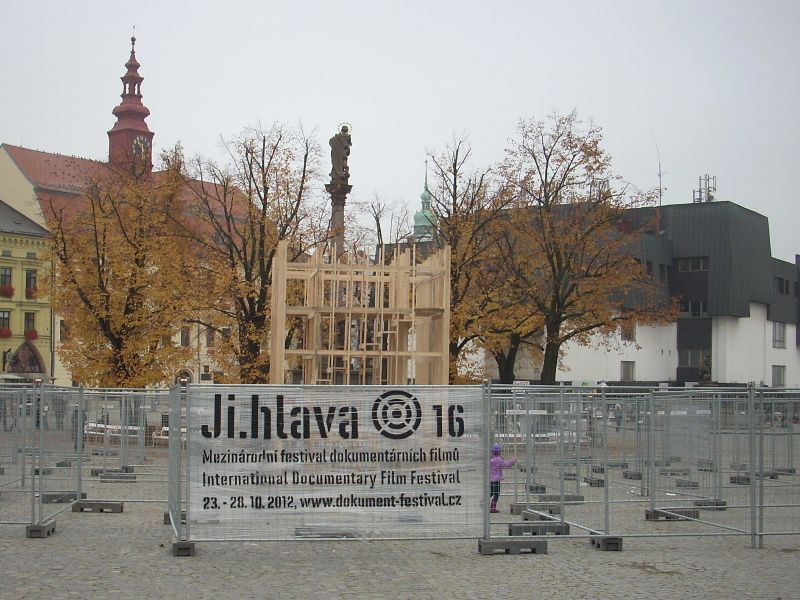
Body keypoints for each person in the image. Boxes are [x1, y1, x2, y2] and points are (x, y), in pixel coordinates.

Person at [489, 443, 517, 514]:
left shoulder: (491, 459)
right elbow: (506, 464)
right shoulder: (499, 460)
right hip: (496, 480)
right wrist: (513, 461)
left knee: (491, 493)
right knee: (496, 494)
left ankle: (485, 503)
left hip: (491, 479)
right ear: (499, 452)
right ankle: (492, 508)